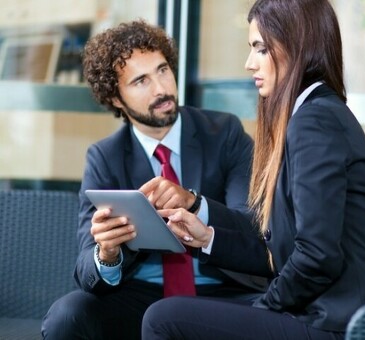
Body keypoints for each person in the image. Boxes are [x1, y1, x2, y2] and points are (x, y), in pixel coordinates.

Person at [141, 0, 365, 339]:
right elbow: (288, 252)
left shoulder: (314, 120)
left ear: (297, 45)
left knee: (164, 318)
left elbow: (318, 257)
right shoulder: (312, 115)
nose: (250, 64)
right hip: (323, 314)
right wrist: (208, 238)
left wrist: (264, 307)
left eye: (260, 49)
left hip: (339, 324)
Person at [41, 20, 268, 340]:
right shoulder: (105, 156)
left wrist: (194, 203)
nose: (161, 88)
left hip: (223, 293)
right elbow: (85, 270)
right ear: (116, 98)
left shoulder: (225, 133)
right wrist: (107, 254)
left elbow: (255, 229)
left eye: (163, 70)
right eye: (141, 81)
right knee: (68, 315)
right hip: (142, 296)